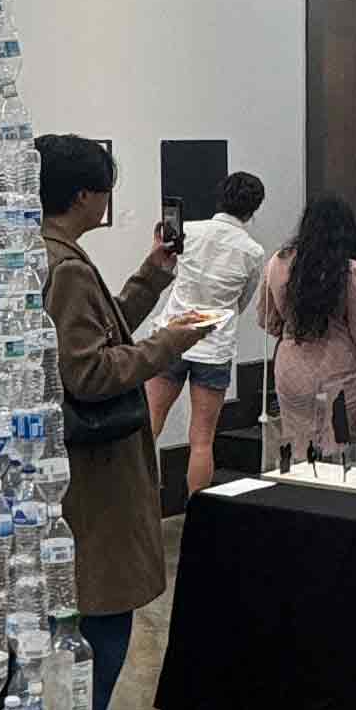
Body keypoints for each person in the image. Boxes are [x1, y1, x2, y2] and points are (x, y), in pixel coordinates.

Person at [39, 134, 216, 710]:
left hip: (74, 468)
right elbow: (88, 371)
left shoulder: (51, 257)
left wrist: (151, 277)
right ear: (85, 194)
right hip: (94, 472)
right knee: (104, 611)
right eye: (106, 189)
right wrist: (171, 343)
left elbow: (96, 333)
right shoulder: (64, 268)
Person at [144, 171, 268, 498]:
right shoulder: (253, 251)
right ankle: (196, 514)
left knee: (148, 426)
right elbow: (242, 300)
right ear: (254, 208)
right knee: (202, 439)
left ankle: (138, 504)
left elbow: (166, 268)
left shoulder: (189, 231)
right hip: (214, 346)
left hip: (171, 337)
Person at [258, 195, 356, 459]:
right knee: (338, 454)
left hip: (291, 370)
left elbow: (267, 320)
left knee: (298, 450)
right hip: (340, 374)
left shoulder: (277, 263)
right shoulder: (349, 270)